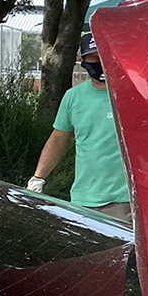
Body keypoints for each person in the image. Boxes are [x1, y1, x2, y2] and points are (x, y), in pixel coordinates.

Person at [28, 34, 133, 225]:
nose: (99, 62)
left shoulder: (130, 96)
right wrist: (38, 178)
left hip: (124, 201)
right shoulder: (73, 97)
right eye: (93, 57)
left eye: (104, 55)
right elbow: (58, 138)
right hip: (82, 200)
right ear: (82, 60)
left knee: (120, 254)